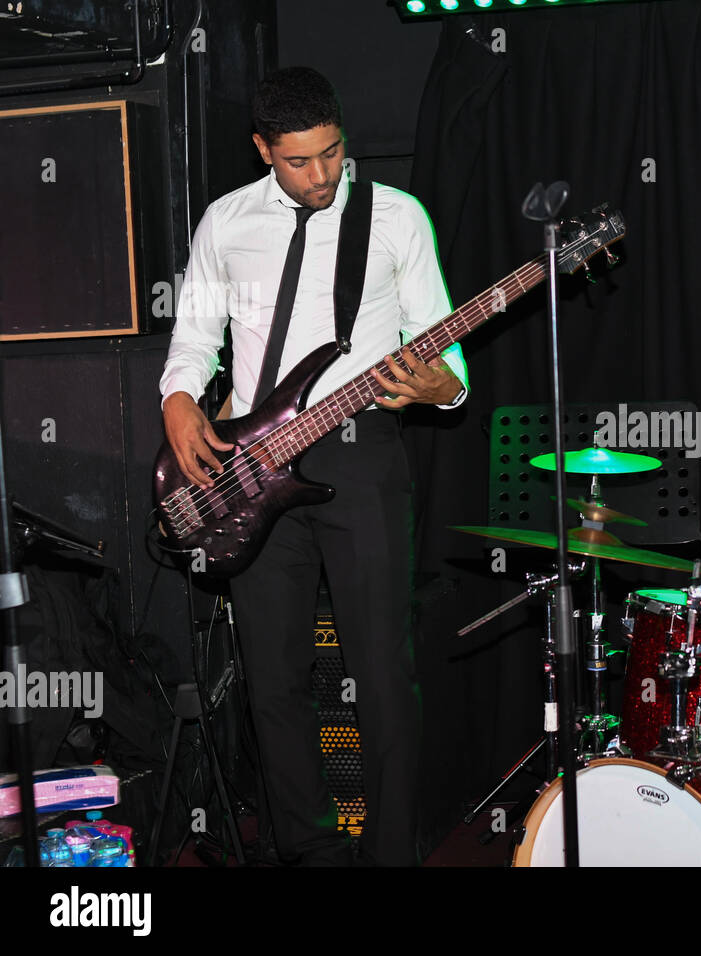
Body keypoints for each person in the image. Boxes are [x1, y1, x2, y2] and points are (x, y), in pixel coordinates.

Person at [159, 67, 468, 866]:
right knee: (274, 680)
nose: (323, 175)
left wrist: (443, 383)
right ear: (263, 149)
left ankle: (392, 852)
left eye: (332, 153)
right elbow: (194, 339)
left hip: (362, 452)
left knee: (382, 672)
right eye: (299, 161)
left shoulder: (395, 218)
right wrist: (180, 399)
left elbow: (445, 343)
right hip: (251, 465)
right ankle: (310, 853)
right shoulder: (226, 222)